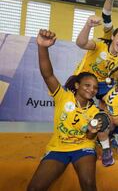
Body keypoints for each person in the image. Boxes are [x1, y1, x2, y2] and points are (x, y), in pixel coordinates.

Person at [28, 30, 103, 191]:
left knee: (89, 186)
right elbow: (47, 75)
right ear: (77, 85)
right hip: (57, 148)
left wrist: (92, 130)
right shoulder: (63, 97)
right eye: (87, 85)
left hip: (83, 147)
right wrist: (42, 47)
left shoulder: (94, 111)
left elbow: (90, 136)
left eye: (95, 88)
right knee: (34, 188)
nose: (92, 90)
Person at [74, 15, 118, 102]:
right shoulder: (100, 45)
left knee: (114, 98)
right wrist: (88, 26)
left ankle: (104, 113)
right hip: (82, 79)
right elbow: (81, 43)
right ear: (112, 37)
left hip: (100, 85)